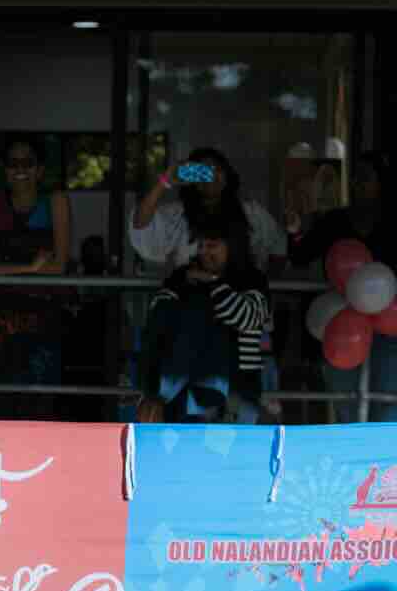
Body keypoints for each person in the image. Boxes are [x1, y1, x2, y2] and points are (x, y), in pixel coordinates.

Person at [288, 150, 397, 422]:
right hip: (341, 321)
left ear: (381, 183)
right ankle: (356, 459)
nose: (358, 184)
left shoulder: (392, 222)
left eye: (366, 177)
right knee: (345, 401)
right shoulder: (334, 221)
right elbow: (301, 255)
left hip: (389, 324)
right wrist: (295, 230)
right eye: (355, 178)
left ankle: (383, 462)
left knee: (388, 399)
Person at [0, 134, 72, 407]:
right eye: (12, 163)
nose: (20, 169)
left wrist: (6, 269)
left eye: (27, 162)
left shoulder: (56, 201)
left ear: (39, 169)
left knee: (40, 401)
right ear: (5, 170)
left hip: (43, 315)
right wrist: (29, 267)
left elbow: (59, 266)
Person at [136, 228, 272, 423]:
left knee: (231, 453)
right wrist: (149, 391)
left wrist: (212, 283)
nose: (204, 252)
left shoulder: (251, 278)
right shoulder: (183, 277)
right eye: (200, 245)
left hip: (237, 395)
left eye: (212, 246)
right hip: (177, 402)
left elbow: (245, 317)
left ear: (232, 246)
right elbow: (157, 321)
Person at [129, 146, 287, 273]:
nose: (211, 176)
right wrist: (165, 181)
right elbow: (141, 226)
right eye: (203, 171)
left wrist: (263, 288)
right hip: (193, 302)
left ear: (227, 175)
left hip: (240, 304)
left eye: (217, 169)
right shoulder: (178, 214)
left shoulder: (252, 212)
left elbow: (279, 248)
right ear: (191, 179)